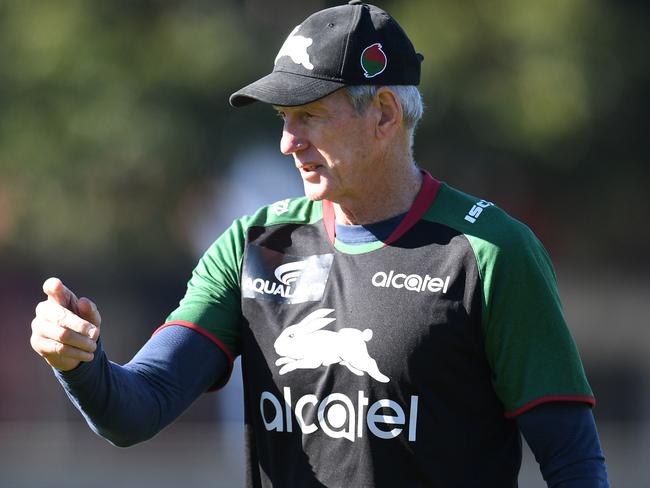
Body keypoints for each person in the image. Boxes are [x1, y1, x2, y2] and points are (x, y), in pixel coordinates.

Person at [31, 2, 610, 487]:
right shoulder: (259, 243)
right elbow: (140, 406)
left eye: (308, 116)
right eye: (284, 117)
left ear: (383, 114)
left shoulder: (490, 251)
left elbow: (573, 462)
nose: (288, 142)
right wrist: (79, 363)